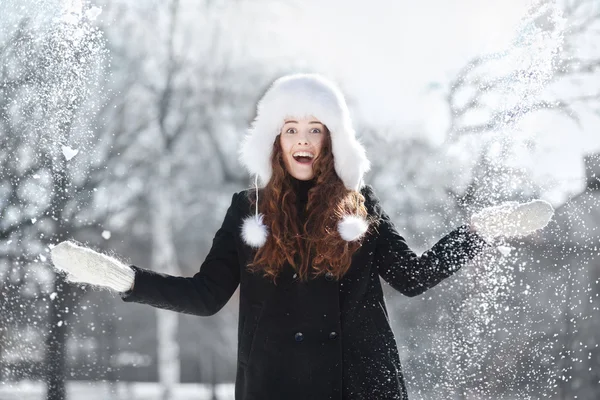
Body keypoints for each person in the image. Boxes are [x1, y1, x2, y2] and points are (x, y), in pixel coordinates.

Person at [50, 74, 554, 400]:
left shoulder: (362, 204)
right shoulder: (247, 210)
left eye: (315, 129)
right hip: (275, 386)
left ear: (332, 138)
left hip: (358, 385)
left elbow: (414, 276)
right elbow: (205, 297)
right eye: (291, 129)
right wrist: (125, 279)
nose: (303, 140)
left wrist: (480, 230)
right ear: (275, 138)